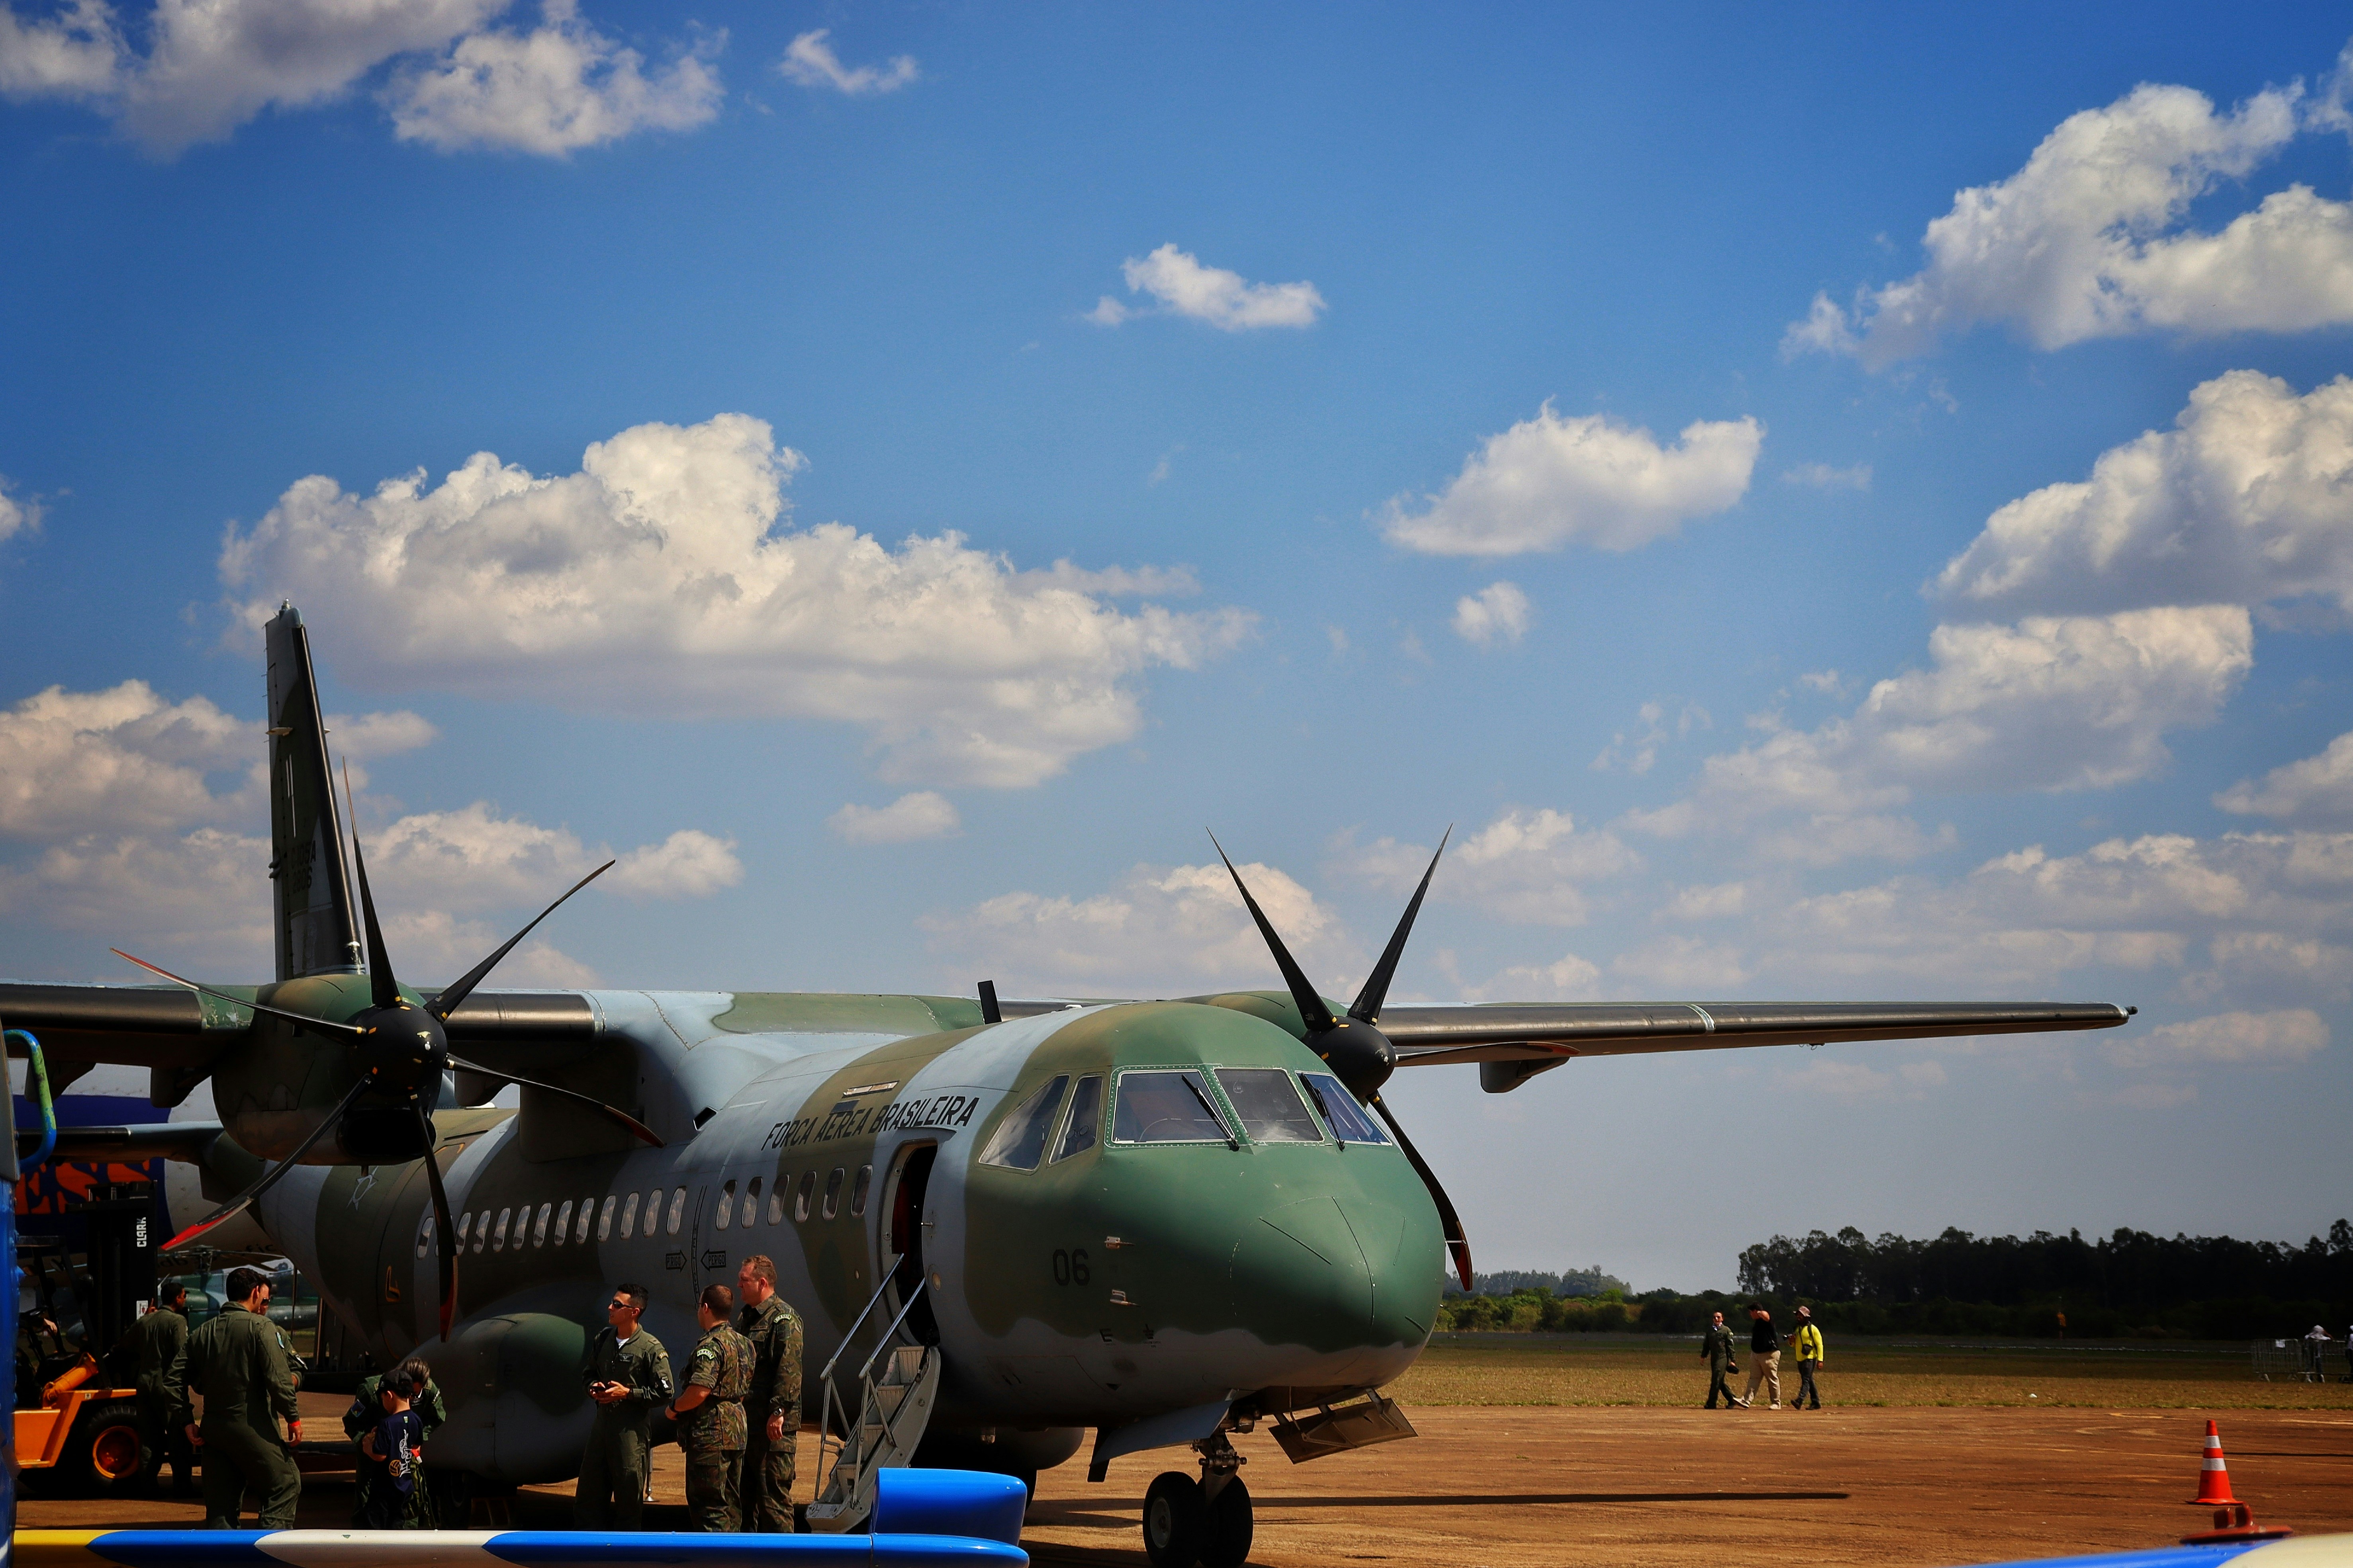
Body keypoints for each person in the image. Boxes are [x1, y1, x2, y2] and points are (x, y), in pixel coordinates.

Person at [184, 1266, 301, 1529]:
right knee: (286, 1485)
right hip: (253, 1427)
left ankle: (222, 1551)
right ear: (256, 1292)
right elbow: (279, 1379)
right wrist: (292, 1417)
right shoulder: (261, 1327)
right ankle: (269, 1548)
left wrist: (185, 1420)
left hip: (212, 1432)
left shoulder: (203, 1332)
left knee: (221, 1509)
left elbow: (173, 1380)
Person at [576, 1283, 672, 1528]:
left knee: (628, 1503)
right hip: (601, 1431)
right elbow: (588, 1373)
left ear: (634, 1312)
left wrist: (628, 1393)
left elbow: (665, 1392)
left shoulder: (650, 1348)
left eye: (617, 1305)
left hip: (631, 1436)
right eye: (612, 1302)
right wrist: (593, 1387)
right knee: (588, 1499)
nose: (610, 1308)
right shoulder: (603, 1340)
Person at [668, 1284, 753, 1531]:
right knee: (731, 1504)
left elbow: (700, 1390)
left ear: (706, 1308)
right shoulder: (745, 1344)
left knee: (709, 1506)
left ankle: (716, 1552)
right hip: (736, 1432)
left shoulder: (711, 1346)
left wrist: (675, 1408)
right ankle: (733, 1550)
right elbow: (743, 1388)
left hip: (711, 1435)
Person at [734, 1255, 804, 1532]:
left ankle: (785, 1555)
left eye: (744, 1280)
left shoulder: (783, 1319)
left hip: (772, 1429)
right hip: (748, 1426)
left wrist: (779, 1411)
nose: (739, 1285)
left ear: (762, 1283)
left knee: (773, 1502)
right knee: (744, 1502)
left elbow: (789, 1369)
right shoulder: (746, 1318)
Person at [345, 1357, 445, 1527]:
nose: (410, 1399)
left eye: (415, 1395)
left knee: (407, 1504)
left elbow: (437, 1417)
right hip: (373, 1455)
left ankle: (404, 1536)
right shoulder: (373, 1390)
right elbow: (352, 1422)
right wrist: (367, 1441)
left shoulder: (428, 1390)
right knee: (368, 1504)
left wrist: (415, 1439)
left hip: (403, 1457)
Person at [133, 1281, 195, 1496]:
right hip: (168, 1387)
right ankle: (183, 1487)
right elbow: (182, 1352)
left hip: (144, 1385)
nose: (185, 1299)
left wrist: (146, 1319)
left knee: (149, 1438)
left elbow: (126, 1342)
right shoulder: (177, 1321)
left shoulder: (146, 1321)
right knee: (179, 1436)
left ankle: (147, 1487)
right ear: (178, 1298)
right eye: (184, 1296)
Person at [355, 1370, 429, 1528]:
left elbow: (380, 1455)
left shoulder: (387, 1424)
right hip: (405, 1487)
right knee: (397, 1525)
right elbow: (416, 1446)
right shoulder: (416, 1420)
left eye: (382, 1398)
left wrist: (368, 1447)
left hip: (385, 1490)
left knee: (374, 1526)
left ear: (389, 1395)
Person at [1741, 1304, 1782, 1410]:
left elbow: (1766, 1316)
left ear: (1755, 1311)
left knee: (1772, 1379)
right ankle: (1746, 1400)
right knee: (1754, 1378)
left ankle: (1776, 1403)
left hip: (1769, 1354)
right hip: (1756, 1354)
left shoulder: (1766, 1320)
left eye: (1751, 1312)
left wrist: (1758, 1312)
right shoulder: (1757, 1323)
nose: (1750, 1315)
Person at [1699, 1310, 1741, 1409]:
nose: (1717, 1319)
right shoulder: (1710, 1331)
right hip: (1714, 1359)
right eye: (1715, 1317)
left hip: (1723, 1358)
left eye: (1719, 1317)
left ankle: (1712, 1403)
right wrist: (1703, 1356)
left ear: (1722, 1319)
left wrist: (1733, 1360)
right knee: (1720, 1381)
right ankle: (1732, 1399)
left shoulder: (1726, 1330)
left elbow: (1730, 1346)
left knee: (1716, 1379)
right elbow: (1707, 1345)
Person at [1790, 1305, 1824, 1410]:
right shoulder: (1798, 1329)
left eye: (1801, 1315)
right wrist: (1791, 1341)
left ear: (1806, 1317)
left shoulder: (1812, 1329)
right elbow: (1794, 1345)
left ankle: (1799, 1401)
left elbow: (1820, 1345)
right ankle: (1816, 1402)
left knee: (1806, 1380)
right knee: (1809, 1380)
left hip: (1810, 1358)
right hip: (1800, 1358)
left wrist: (1820, 1360)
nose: (1798, 1317)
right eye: (1797, 1315)